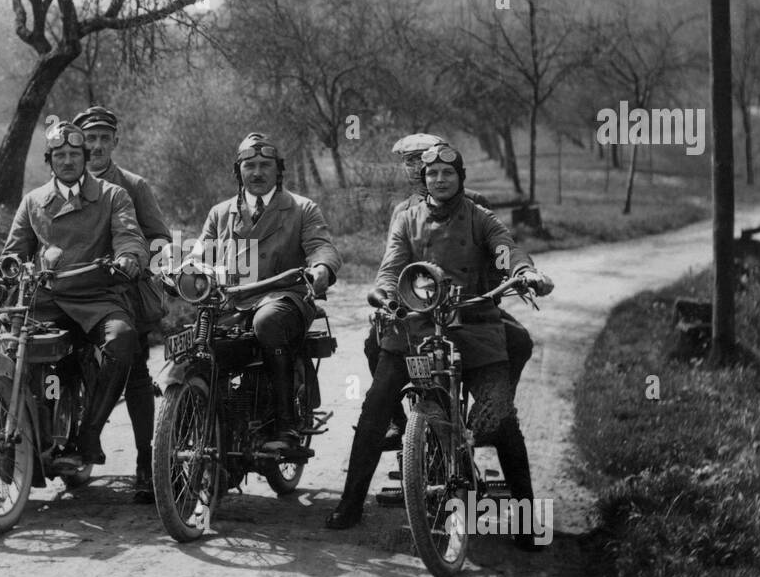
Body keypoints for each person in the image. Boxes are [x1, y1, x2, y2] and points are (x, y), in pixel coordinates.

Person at [326, 135, 554, 549]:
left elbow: (506, 250)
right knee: (376, 405)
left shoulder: (478, 216)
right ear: (423, 180)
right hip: (416, 327)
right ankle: (350, 503)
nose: (439, 179)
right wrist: (384, 295)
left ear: (460, 177)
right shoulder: (406, 218)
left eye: (448, 172)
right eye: (432, 173)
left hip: (474, 323)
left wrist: (525, 272)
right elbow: (391, 266)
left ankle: (524, 520)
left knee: (501, 419)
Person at [366, 134, 536, 450]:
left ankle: (489, 410)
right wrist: (387, 297)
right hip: (418, 305)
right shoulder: (403, 211)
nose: (418, 167)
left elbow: (497, 246)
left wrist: (512, 274)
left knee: (517, 340)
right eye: (410, 161)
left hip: (469, 302)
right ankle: (396, 421)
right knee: (374, 344)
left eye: (423, 159)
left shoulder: (473, 203)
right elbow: (392, 264)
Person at [1, 120, 149, 473]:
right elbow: (15, 252)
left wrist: (129, 256)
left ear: (85, 158)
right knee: (9, 344)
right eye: (59, 155)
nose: (67, 161)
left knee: (122, 341)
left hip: (98, 296)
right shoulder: (33, 201)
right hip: (48, 299)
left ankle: (88, 436)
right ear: (49, 160)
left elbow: (130, 235)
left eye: (74, 154)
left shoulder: (113, 195)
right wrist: (3, 270)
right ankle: (8, 443)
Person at [193, 133, 342, 451]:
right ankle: (198, 422)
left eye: (265, 165)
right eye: (250, 166)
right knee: (198, 342)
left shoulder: (302, 209)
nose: (257, 172)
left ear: (278, 171)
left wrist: (321, 270)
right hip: (232, 301)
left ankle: (285, 426)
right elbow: (199, 257)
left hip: (285, 297)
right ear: (238, 171)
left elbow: (322, 247)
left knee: (268, 322)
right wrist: (185, 273)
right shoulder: (220, 213)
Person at [72, 105, 172, 504]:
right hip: (73, 294)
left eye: (103, 139)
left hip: (124, 293)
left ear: (115, 142)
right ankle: (62, 446)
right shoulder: (64, 182)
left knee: (134, 374)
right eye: (89, 139)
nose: (96, 146)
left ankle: (146, 464)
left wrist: (135, 262)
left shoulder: (133, 185)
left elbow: (161, 239)